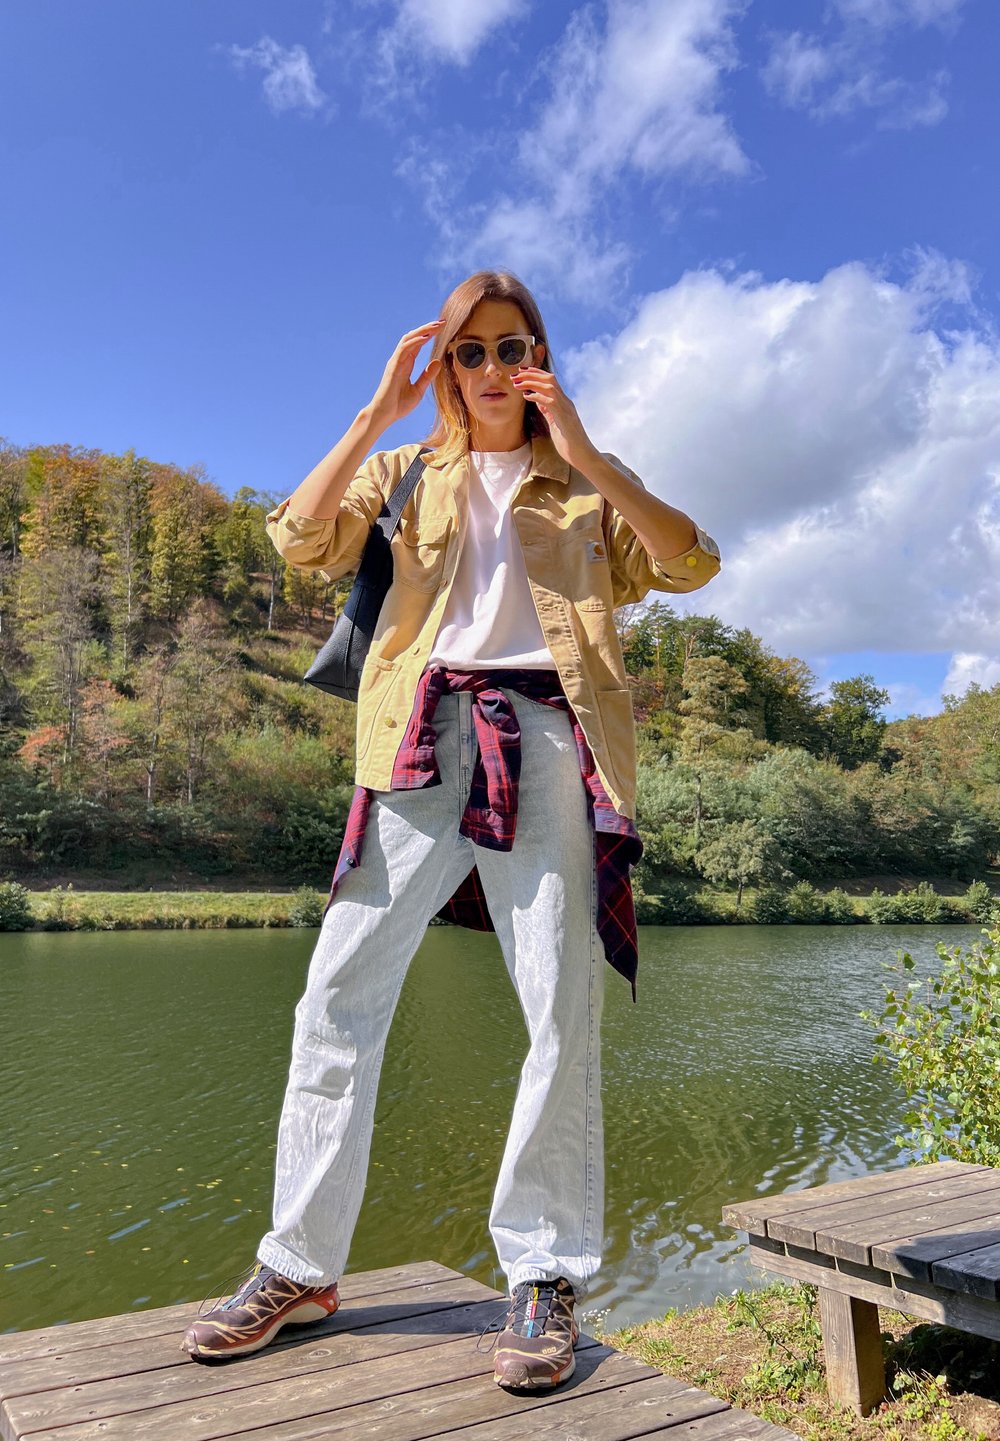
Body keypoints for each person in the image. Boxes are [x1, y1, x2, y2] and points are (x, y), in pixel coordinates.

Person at [182, 270, 721, 1389]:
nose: (488, 369)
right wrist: (375, 412)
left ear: (539, 359)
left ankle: (543, 1272)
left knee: (557, 1009)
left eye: (509, 347)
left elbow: (688, 560)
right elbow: (298, 539)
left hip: (547, 738)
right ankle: (299, 1266)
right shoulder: (404, 472)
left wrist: (588, 452)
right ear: (445, 368)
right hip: (416, 739)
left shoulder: (581, 488)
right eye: (467, 351)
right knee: (336, 998)